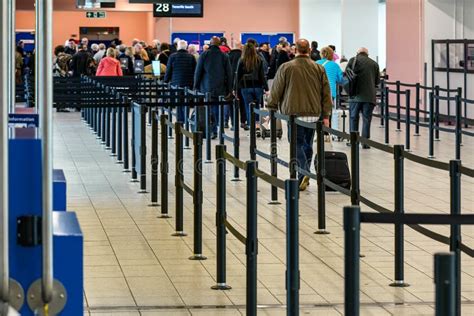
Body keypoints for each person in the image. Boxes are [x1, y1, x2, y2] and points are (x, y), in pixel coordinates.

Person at [267, 39, 332, 191]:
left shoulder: (286, 67)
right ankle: (304, 176)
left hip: (293, 113)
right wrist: (326, 115)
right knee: (307, 145)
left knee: (295, 144)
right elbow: (326, 93)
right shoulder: (318, 68)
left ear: (295, 50)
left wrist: (271, 108)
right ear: (309, 50)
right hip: (313, 113)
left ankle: (304, 172)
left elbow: (276, 90)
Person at [194, 36, 233, 139]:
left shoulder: (204, 55)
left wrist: (196, 86)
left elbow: (198, 72)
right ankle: (215, 129)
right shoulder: (224, 56)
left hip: (206, 87)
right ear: (219, 44)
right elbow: (229, 74)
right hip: (220, 87)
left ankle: (210, 130)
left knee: (208, 108)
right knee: (216, 108)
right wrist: (230, 89)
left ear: (210, 44)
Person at [346, 47, 380, 149]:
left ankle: (353, 141)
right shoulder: (374, 64)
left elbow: (346, 76)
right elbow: (377, 82)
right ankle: (365, 142)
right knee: (366, 119)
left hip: (355, 96)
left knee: (353, 118)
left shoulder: (353, 60)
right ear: (367, 54)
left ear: (357, 53)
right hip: (369, 97)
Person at [235, 43, 269, 131]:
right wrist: (266, 88)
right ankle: (257, 124)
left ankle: (252, 126)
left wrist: (234, 89)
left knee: (248, 106)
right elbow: (262, 75)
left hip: (245, 87)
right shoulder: (258, 60)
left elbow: (238, 76)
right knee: (257, 106)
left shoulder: (242, 60)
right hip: (258, 87)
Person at [164, 40, 197, 122]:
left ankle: (180, 120)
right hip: (188, 83)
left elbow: (168, 70)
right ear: (186, 47)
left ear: (178, 47)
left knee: (178, 102)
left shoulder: (172, 56)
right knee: (186, 102)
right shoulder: (191, 57)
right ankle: (186, 119)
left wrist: (165, 81)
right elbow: (195, 71)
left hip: (176, 83)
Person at [228, 41, 247, 128]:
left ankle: (233, 123)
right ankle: (243, 121)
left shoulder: (228, 56)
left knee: (231, 104)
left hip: (230, 83)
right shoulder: (243, 57)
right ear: (240, 47)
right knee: (243, 103)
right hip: (242, 83)